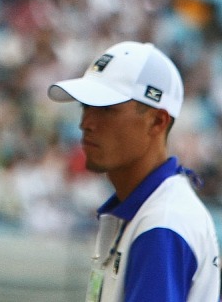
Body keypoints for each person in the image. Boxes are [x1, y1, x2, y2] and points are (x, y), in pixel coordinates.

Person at [48, 41, 221, 302]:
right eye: (85, 106)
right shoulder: (152, 209)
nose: (86, 123)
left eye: (106, 109)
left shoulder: (162, 224)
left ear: (157, 121)